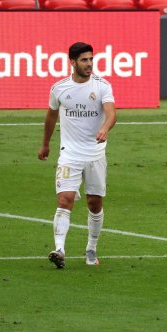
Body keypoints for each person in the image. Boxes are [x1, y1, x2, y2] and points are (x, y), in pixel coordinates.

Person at [37, 42, 117, 269]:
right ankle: (59, 249)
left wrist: (105, 128)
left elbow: (112, 113)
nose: (89, 64)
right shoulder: (59, 88)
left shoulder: (102, 86)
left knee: (94, 203)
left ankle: (91, 248)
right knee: (65, 200)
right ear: (72, 61)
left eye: (91, 59)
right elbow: (51, 117)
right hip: (69, 154)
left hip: (95, 154)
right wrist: (45, 144)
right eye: (84, 60)